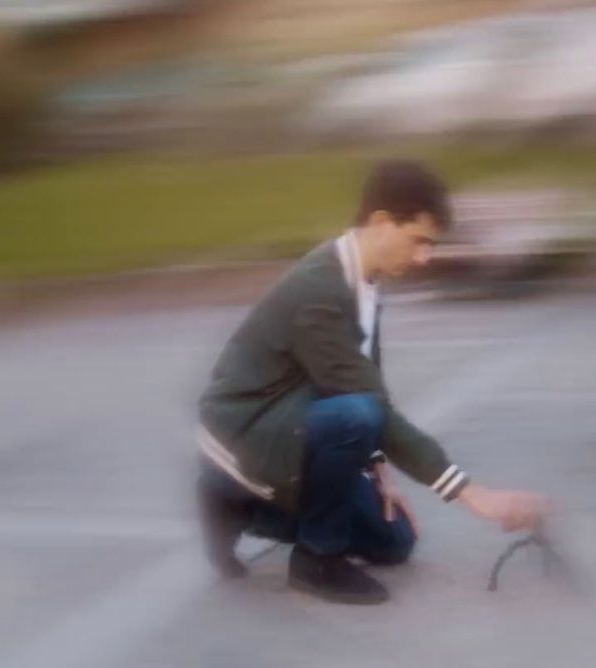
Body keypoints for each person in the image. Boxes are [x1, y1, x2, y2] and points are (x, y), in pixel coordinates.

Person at [195, 160, 550, 605]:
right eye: (418, 241)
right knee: (356, 415)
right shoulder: (319, 292)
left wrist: (378, 470)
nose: (424, 258)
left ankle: (238, 507)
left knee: (394, 542)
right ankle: (315, 560)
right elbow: (366, 405)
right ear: (382, 223)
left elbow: (365, 378)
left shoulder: (365, 280)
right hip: (242, 433)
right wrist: (473, 494)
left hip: (288, 417)